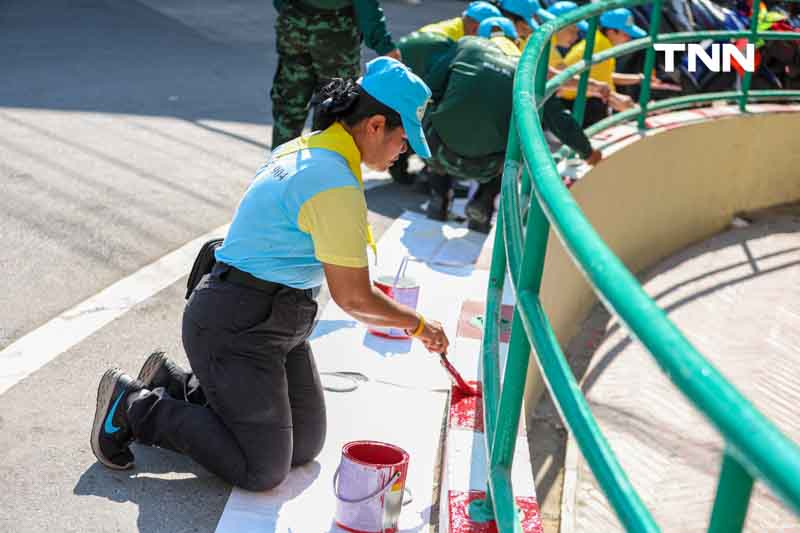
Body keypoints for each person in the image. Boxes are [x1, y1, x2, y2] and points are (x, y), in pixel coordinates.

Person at [90, 58, 450, 492]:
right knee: (262, 469)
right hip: (236, 325)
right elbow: (354, 297)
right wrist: (418, 325)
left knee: (304, 446)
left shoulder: (311, 148)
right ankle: (135, 407)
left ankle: (175, 383)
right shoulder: (331, 180)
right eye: (403, 140)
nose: (402, 153)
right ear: (375, 125)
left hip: (272, 320)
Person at [421, 19, 599, 232]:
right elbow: (560, 121)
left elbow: (429, 88)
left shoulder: (466, 46)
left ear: (481, 36)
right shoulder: (527, 74)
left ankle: (438, 197)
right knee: (521, 137)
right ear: (516, 41)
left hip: (437, 151)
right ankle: (484, 202)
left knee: (433, 108)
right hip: (488, 166)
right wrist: (587, 152)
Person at [389, 1, 502, 185]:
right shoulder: (455, 43)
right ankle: (431, 173)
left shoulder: (448, 29)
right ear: (476, 27)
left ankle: (409, 167)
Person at [270, 0, 401, 149]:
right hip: (336, 31)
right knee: (333, 110)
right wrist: (385, 45)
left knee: (290, 103)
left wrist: (291, 13)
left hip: (293, 21)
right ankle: (320, 166)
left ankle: (279, 167)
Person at [560, 7, 675, 126]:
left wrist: (639, 78)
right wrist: (641, 110)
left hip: (578, 99)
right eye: (626, 33)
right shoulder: (600, 49)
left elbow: (604, 76)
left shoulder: (599, 42)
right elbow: (608, 94)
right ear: (611, 32)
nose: (629, 38)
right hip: (576, 105)